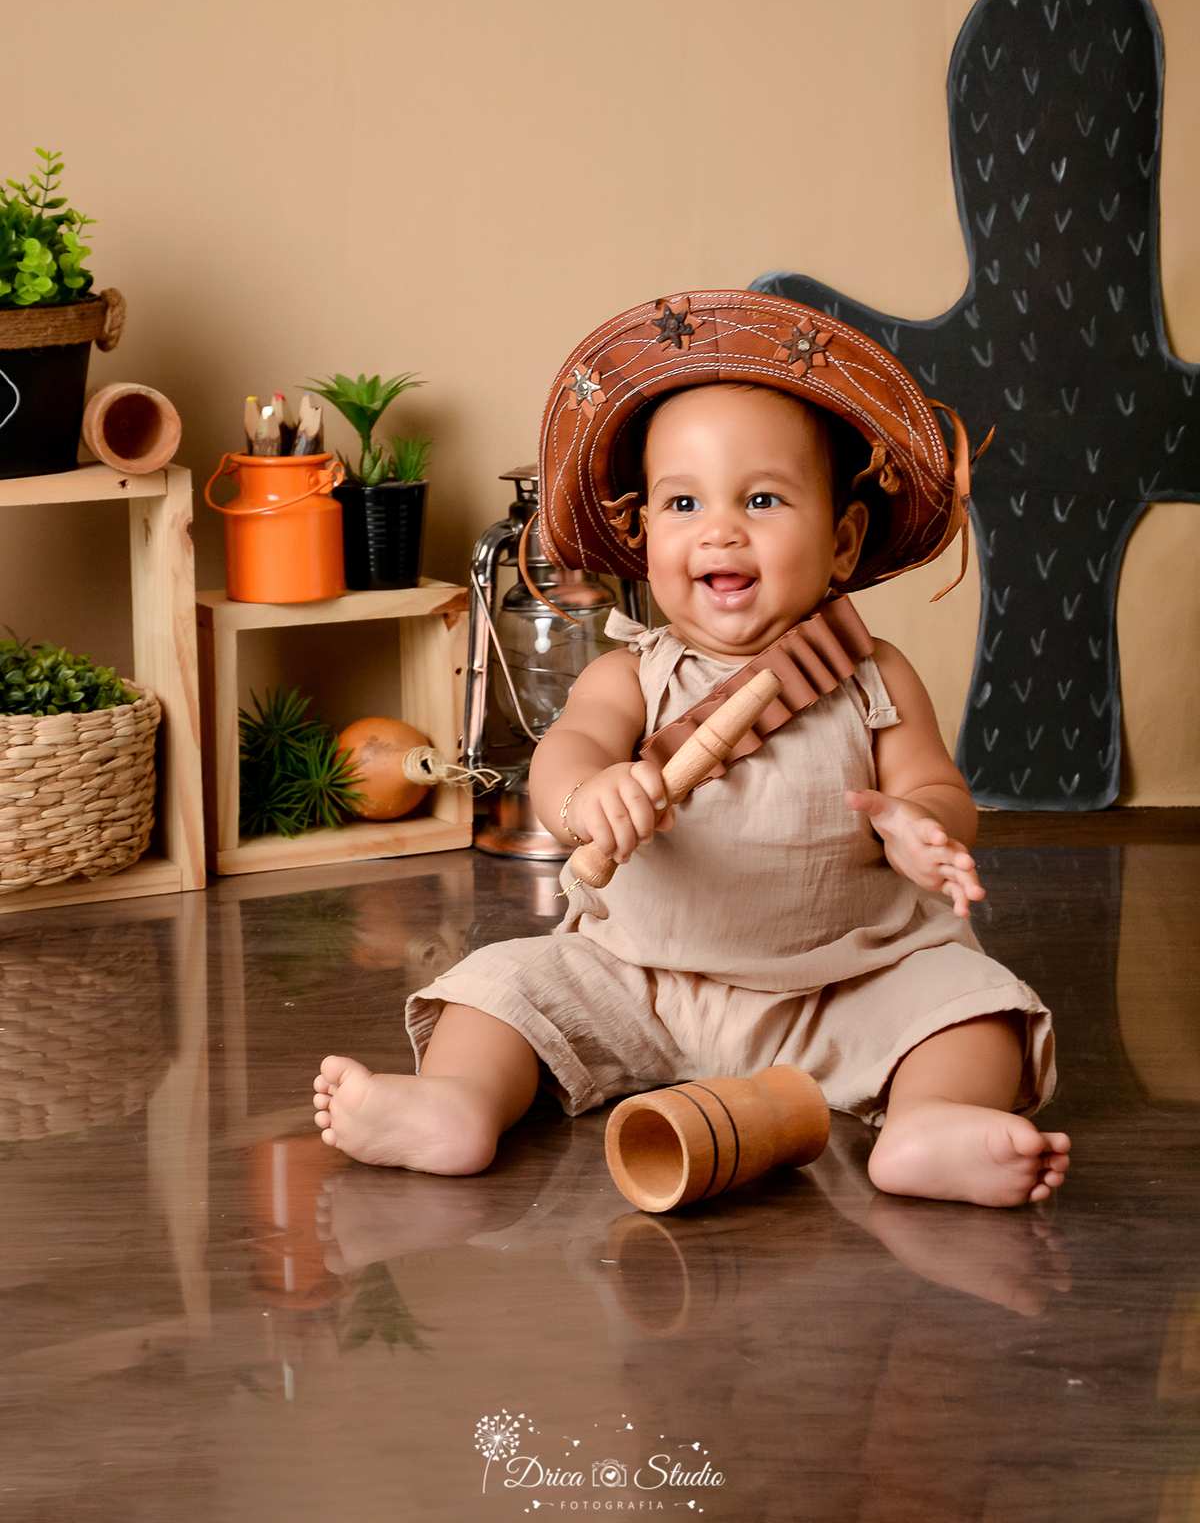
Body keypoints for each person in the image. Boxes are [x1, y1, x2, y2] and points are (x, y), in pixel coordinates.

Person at [314, 290, 1069, 1207]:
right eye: (682, 501)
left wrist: (921, 824)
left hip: (849, 982)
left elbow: (940, 789)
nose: (720, 528)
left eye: (760, 498)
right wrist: (587, 796)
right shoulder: (630, 675)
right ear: (642, 541)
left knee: (973, 1006)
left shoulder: (875, 674)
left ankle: (930, 1124)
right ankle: (455, 1104)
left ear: (841, 541)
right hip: (642, 979)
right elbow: (568, 754)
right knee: (496, 985)